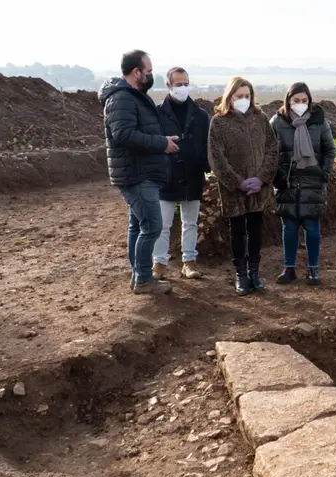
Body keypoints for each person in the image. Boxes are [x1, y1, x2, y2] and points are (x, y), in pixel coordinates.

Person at [98, 49, 179, 295]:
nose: (151, 75)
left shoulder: (132, 96)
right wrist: (161, 143)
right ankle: (144, 279)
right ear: (137, 72)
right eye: (149, 71)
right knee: (152, 226)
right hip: (137, 173)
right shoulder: (122, 98)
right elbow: (123, 134)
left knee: (138, 225)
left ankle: (138, 277)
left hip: (141, 171)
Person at [208, 77, 278, 296]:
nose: (244, 100)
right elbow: (216, 158)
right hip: (233, 191)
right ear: (230, 97)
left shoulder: (261, 118)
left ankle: (255, 273)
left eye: (247, 96)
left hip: (258, 189)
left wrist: (261, 178)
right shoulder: (219, 122)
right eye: (239, 96)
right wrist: (237, 182)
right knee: (237, 230)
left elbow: (272, 149)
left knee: (256, 229)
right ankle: (241, 275)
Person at [269, 82, 335, 286]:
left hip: (312, 182)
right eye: (296, 100)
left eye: (304, 100)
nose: (300, 104)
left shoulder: (319, 121)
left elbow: (329, 150)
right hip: (287, 183)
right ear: (288, 100)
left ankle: (313, 269)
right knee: (289, 228)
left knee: (312, 229)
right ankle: (289, 269)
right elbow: (270, 152)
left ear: (310, 101)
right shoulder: (277, 122)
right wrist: (277, 176)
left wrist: (323, 173)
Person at [151, 67, 210, 281]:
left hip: (193, 174)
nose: (183, 88)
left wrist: (207, 167)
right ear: (168, 85)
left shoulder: (201, 115)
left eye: (186, 83)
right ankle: (159, 263)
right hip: (167, 176)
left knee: (191, 222)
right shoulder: (157, 113)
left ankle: (189, 262)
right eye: (178, 84)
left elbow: (206, 145)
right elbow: (153, 143)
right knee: (163, 223)